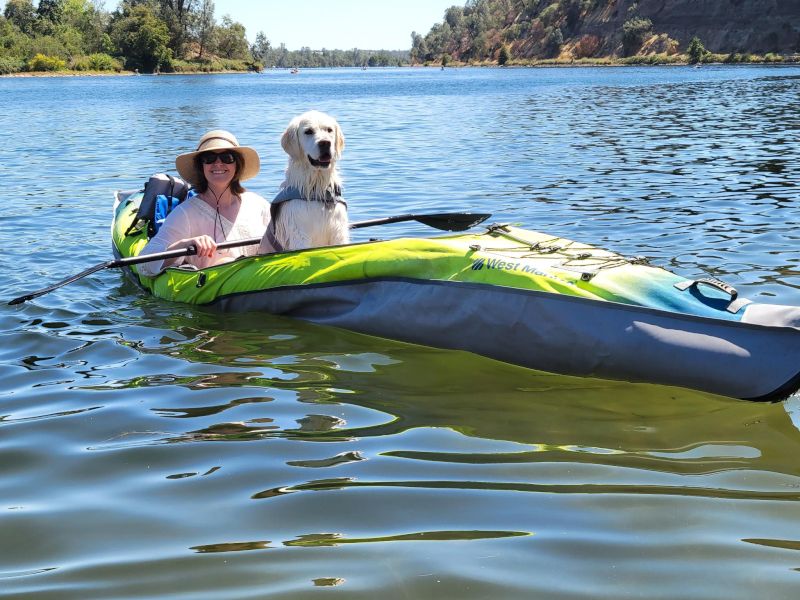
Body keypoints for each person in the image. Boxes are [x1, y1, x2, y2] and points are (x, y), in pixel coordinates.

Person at [137, 130, 271, 277]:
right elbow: (143, 265)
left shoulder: (258, 204)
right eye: (209, 158)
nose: (218, 163)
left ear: (237, 165)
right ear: (201, 166)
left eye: (227, 157)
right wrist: (185, 244)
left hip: (264, 282)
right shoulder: (185, 213)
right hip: (219, 294)